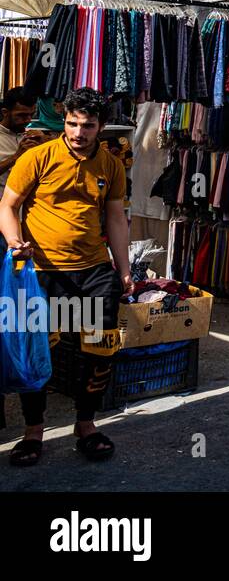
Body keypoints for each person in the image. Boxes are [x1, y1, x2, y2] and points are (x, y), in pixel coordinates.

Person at [3, 87, 130, 467]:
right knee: (39, 352)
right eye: (72, 123)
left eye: (88, 125)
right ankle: (33, 431)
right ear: (65, 120)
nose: (78, 132)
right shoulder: (37, 157)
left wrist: (123, 270)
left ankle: (86, 425)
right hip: (41, 274)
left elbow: (115, 219)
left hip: (92, 272)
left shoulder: (111, 165)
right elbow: (8, 205)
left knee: (98, 350)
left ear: (101, 126)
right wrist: (14, 242)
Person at [0, 89, 37, 194]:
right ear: (5, 112)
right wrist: (16, 157)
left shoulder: (31, 136)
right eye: (22, 115)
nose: (28, 120)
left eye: (32, 115)